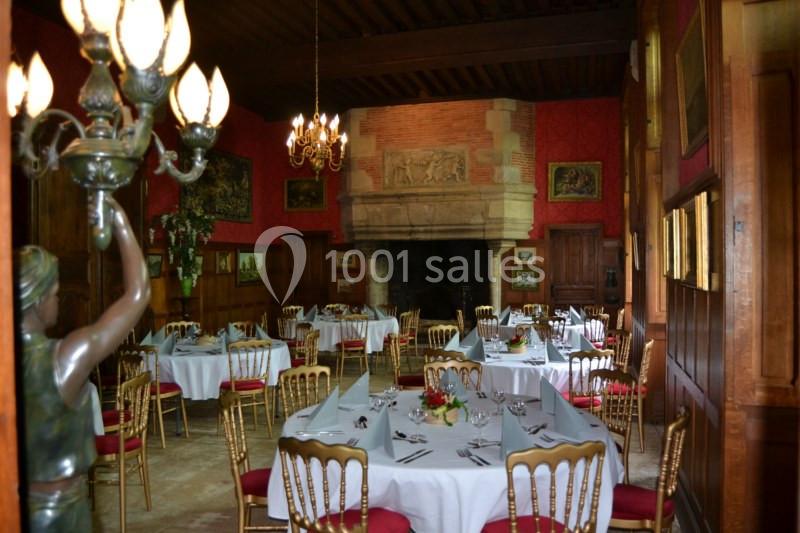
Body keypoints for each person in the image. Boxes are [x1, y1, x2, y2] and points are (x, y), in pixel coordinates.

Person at [17, 197, 150, 532]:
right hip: (62, 510)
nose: (58, 300)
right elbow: (137, 294)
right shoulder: (64, 358)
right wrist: (119, 220)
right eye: (55, 293)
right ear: (36, 302)